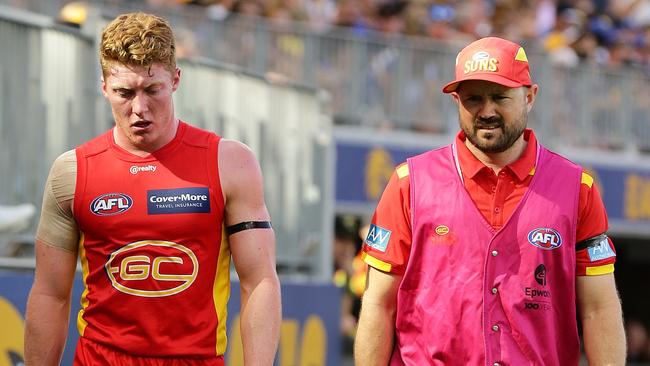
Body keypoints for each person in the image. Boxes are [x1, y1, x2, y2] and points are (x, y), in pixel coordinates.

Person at [24, 12, 281, 366]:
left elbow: (260, 281)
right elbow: (50, 294)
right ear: (103, 87)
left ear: (175, 79)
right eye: (124, 93)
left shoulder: (230, 163)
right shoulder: (71, 172)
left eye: (152, 90)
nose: (139, 109)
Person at [354, 36, 626, 365]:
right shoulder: (409, 183)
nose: (486, 111)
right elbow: (378, 304)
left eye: (499, 97)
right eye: (473, 99)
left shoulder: (577, 188)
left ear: (529, 96)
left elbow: (599, 308)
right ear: (456, 100)